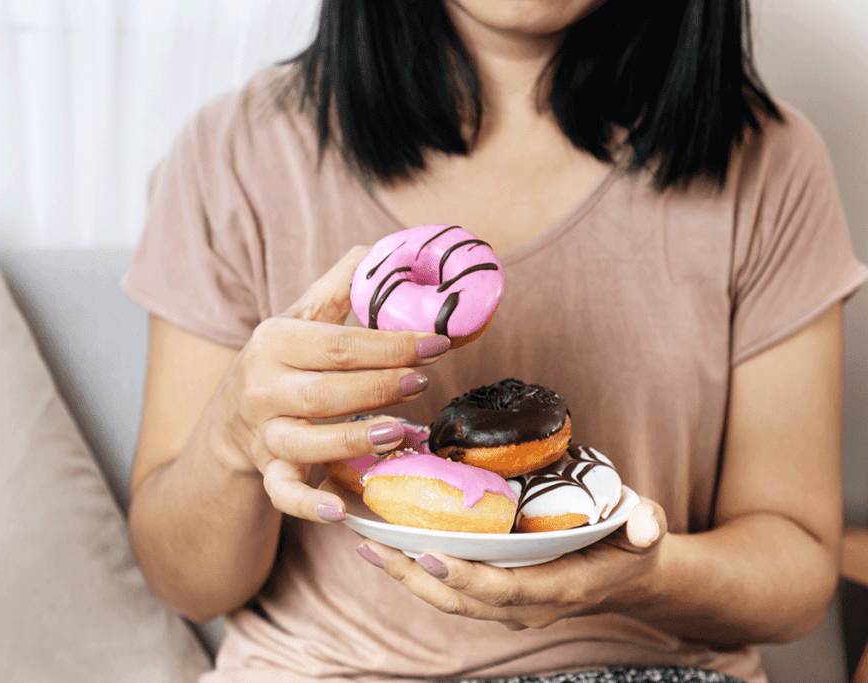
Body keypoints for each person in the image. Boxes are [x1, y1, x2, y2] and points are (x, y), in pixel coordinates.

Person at [121, 1, 868, 681]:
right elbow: (185, 580)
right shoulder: (236, 154)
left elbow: (796, 577)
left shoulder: (766, 162)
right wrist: (233, 437)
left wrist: (647, 574)